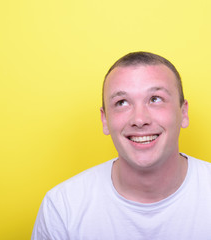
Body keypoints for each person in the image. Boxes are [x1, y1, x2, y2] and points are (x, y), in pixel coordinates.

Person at [31, 52, 211, 240]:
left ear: (183, 113)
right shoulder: (62, 208)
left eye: (155, 99)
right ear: (105, 120)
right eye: (122, 102)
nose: (139, 119)